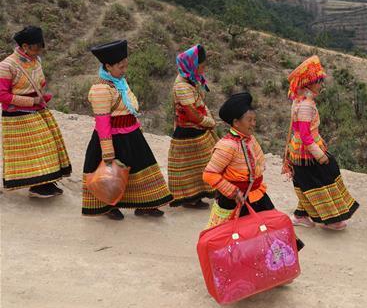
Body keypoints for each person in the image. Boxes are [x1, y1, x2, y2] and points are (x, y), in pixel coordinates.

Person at [82, 40, 173, 219]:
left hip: (131, 134)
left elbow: (129, 107)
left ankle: (145, 204)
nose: (124, 70)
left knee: (142, 168)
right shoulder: (101, 89)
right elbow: (102, 122)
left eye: (125, 66)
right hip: (112, 138)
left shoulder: (120, 83)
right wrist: (107, 151)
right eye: (120, 67)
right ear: (108, 66)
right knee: (111, 174)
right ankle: (109, 206)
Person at [283, 55, 358, 230]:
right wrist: (320, 155)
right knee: (323, 178)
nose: (320, 84)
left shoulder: (300, 100)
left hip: (301, 150)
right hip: (307, 152)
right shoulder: (306, 105)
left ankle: (301, 215)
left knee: (308, 181)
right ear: (308, 83)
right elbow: (305, 136)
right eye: (318, 81)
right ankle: (331, 219)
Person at [0, 26, 71, 197]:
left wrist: (41, 97)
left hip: (37, 108)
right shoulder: (7, 66)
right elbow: (2, 95)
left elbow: (38, 82)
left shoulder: (36, 60)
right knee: (41, 146)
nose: (39, 51)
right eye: (36, 47)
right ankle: (37, 186)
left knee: (50, 143)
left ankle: (46, 181)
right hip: (17, 113)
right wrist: (32, 100)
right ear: (25, 46)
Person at [167, 44, 217, 208]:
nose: (203, 69)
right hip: (189, 132)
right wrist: (210, 122)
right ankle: (191, 198)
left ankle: (201, 194)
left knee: (203, 164)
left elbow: (199, 104)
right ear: (193, 66)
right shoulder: (182, 86)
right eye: (201, 66)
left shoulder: (189, 79)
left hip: (196, 130)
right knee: (190, 167)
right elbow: (192, 114)